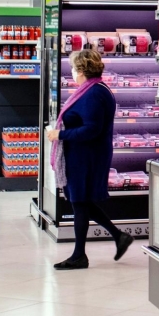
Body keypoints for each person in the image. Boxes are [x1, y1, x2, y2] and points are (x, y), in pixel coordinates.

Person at [47, 49, 133, 270]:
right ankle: (117, 236)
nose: (72, 72)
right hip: (81, 154)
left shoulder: (95, 93)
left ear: (82, 69)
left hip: (87, 156)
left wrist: (60, 134)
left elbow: (92, 129)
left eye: (74, 68)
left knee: (79, 201)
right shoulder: (91, 90)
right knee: (81, 201)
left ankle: (79, 255)